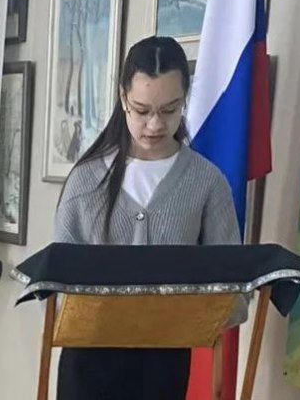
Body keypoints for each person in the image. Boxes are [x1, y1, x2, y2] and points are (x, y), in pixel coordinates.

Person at [54, 36, 246, 399]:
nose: (155, 124)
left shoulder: (207, 183)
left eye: (170, 110)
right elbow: (58, 292)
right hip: (87, 367)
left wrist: (186, 308)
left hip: (164, 369)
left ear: (185, 99)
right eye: (142, 111)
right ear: (123, 98)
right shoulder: (86, 181)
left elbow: (233, 296)